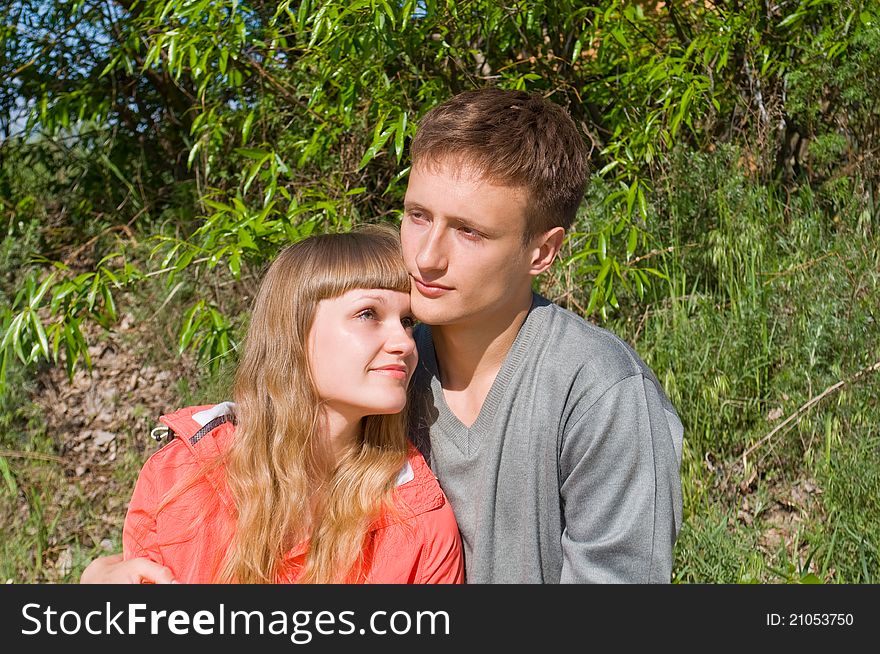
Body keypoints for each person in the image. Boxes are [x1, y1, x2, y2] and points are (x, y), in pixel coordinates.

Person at [83, 88, 682, 584]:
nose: (425, 256)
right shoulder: (387, 371)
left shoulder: (600, 392)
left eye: (470, 233)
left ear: (542, 251)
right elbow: (266, 433)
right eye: (418, 216)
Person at [96, 226, 464, 583]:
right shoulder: (180, 477)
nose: (404, 342)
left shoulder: (421, 521)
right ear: (293, 329)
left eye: (406, 321)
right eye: (368, 314)